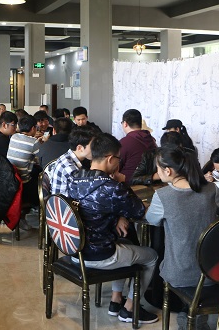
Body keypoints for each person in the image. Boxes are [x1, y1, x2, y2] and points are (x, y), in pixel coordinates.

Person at [68, 133, 158, 323]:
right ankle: (130, 309)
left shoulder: (74, 177)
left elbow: (92, 207)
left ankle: (116, 301)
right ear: (110, 159)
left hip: (75, 249)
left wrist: (118, 215)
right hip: (99, 255)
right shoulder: (111, 187)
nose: (119, 162)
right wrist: (120, 181)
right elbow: (139, 211)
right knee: (151, 256)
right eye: (119, 158)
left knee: (126, 241)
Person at [146, 146, 219, 329]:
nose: (157, 172)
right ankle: (195, 320)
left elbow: (151, 220)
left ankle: (188, 319)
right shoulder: (211, 189)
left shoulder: (162, 196)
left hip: (179, 272)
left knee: (165, 262)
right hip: (212, 270)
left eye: (158, 168)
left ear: (168, 171)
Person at [7, 115, 42, 230]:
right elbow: (40, 160)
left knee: (35, 172)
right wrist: (40, 143)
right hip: (23, 183)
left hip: (10, 178)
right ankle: (33, 209)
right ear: (33, 128)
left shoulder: (14, 137)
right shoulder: (34, 142)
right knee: (42, 183)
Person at [49, 126, 94, 196]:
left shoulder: (69, 155)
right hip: (65, 201)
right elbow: (84, 193)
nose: (96, 149)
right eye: (93, 146)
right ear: (80, 148)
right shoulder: (70, 169)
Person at [118, 109, 156, 184]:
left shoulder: (124, 142)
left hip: (128, 183)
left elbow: (116, 165)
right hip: (150, 182)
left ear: (125, 124)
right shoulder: (152, 140)